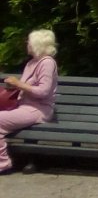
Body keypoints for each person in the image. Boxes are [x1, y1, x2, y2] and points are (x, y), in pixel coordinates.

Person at [0, 28, 59, 175]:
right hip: (24, 107)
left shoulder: (47, 63)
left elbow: (43, 92)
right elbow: (27, 87)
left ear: (37, 44)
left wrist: (19, 84)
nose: (27, 43)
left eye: (29, 41)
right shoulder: (32, 62)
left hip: (38, 109)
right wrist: (13, 85)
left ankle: (3, 163)